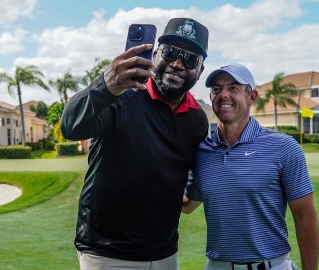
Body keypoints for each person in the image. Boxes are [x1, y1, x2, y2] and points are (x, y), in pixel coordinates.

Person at [60, 18, 209, 270]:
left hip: (165, 254)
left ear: (200, 71)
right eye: (170, 52)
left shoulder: (196, 119)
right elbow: (71, 126)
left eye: (190, 59)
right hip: (108, 254)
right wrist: (106, 85)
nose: (177, 64)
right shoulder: (119, 96)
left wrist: (188, 196)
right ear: (156, 53)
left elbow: (197, 167)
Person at [183, 63, 319, 270]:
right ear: (211, 98)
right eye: (217, 89)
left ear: (252, 97)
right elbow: (187, 205)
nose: (224, 95)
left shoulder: (283, 147)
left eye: (234, 88)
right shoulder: (202, 152)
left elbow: (305, 217)